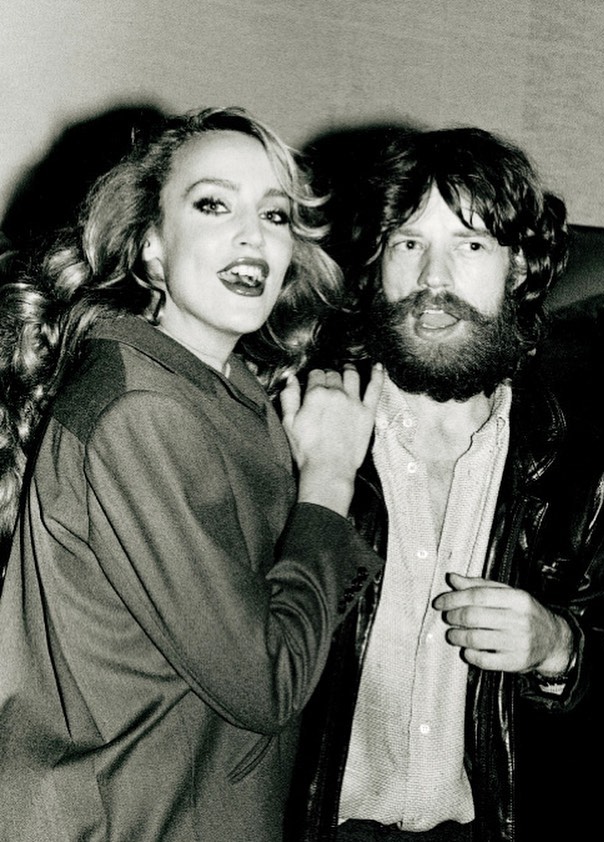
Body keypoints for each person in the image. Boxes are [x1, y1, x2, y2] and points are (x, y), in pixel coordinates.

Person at [0, 106, 384, 841]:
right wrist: (330, 478)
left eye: (275, 214)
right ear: (150, 247)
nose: (253, 236)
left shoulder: (227, 393)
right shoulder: (142, 411)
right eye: (213, 204)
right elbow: (267, 681)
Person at [286, 126, 604, 842]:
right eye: (407, 243)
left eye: (470, 245)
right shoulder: (295, 429)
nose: (433, 278)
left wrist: (558, 647)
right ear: (375, 265)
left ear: (518, 267)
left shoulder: (584, 462)